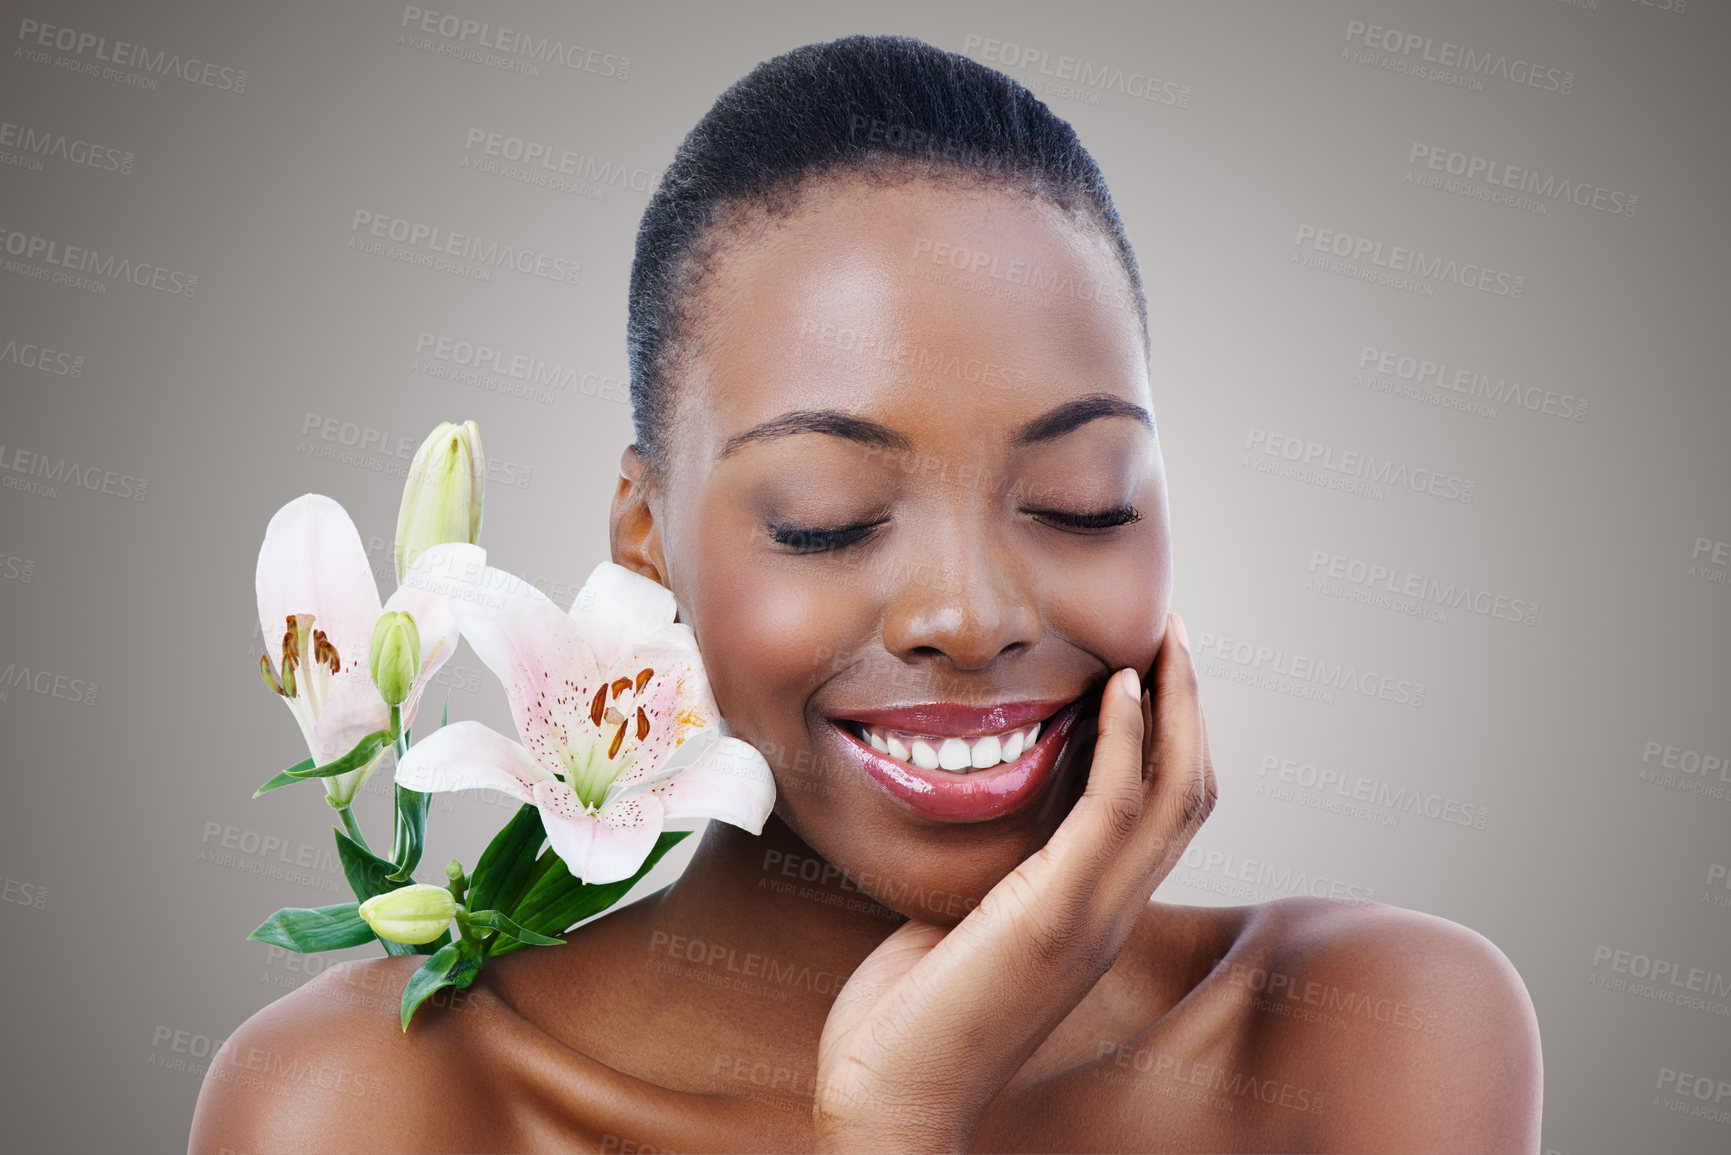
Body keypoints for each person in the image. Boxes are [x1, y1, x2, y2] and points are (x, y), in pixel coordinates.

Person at [189, 34, 1541, 1153]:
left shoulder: (1361, 1034)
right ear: (647, 545)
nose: (967, 613)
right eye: (825, 519)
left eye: (1082, 498)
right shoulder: (377, 1102)